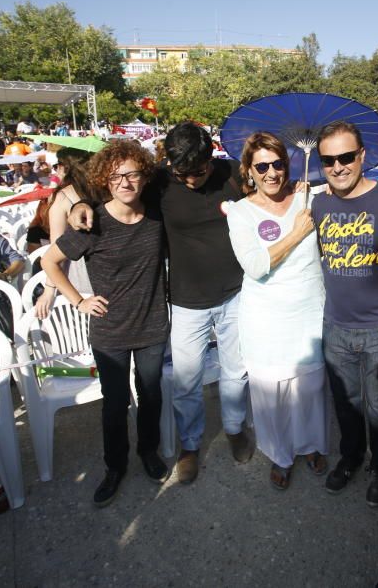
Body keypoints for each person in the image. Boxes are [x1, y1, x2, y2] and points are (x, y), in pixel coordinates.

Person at [70, 123, 251, 484]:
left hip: (234, 293)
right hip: (186, 301)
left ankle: (234, 428)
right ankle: (190, 444)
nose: (191, 180)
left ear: (211, 156)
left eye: (198, 171)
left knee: (235, 373)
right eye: (182, 173)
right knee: (186, 381)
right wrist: (79, 204)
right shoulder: (162, 182)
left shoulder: (232, 174)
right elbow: (112, 189)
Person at [41, 140, 170, 507]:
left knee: (151, 395)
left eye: (132, 174)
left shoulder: (158, 214)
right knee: (114, 403)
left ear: (145, 177)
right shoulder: (91, 222)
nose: (125, 183)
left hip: (152, 325)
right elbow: (50, 263)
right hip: (109, 330)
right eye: (115, 176)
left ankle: (148, 452)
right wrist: (79, 299)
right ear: (105, 180)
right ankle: (114, 466)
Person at [225, 132, 327, 490]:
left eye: (278, 164)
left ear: (288, 164)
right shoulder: (239, 211)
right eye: (262, 166)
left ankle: (311, 444)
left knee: (310, 386)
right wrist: (296, 233)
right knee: (271, 391)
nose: (271, 173)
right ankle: (281, 455)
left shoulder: (308, 197)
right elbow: (254, 266)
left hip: (309, 311)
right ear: (249, 171)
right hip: (266, 317)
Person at [311, 121, 378, 506]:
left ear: (362, 156)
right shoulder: (316, 204)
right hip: (336, 325)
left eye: (346, 157)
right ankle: (351, 458)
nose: (338, 167)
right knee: (346, 405)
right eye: (329, 160)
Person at [35, 147, 94, 319]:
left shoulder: (63, 198)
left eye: (56, 166)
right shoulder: (102, 191)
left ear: (64, 168)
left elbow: (57, 248)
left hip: (78, 279)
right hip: (106, 275)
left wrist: (49, 290)